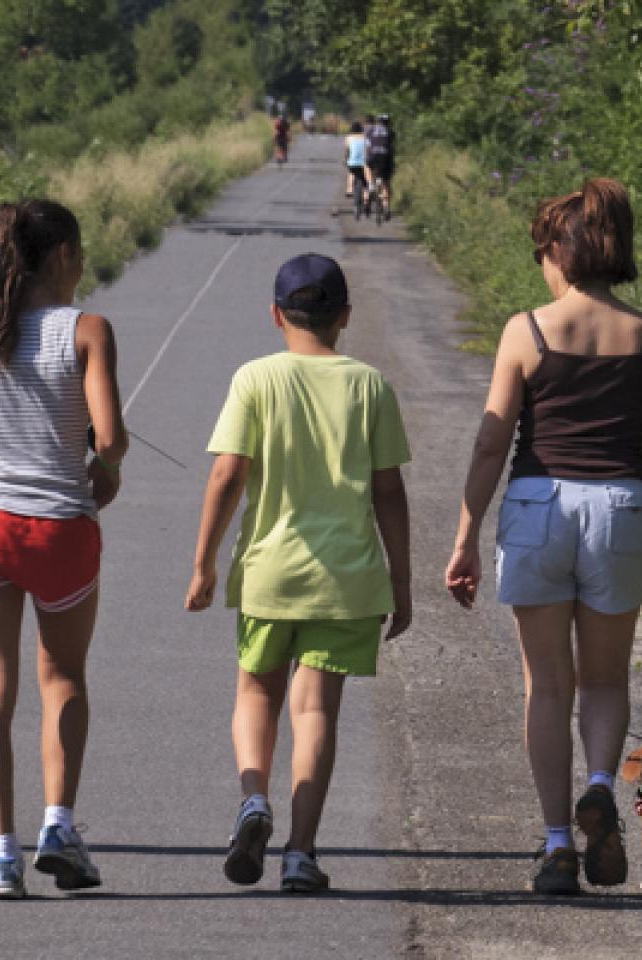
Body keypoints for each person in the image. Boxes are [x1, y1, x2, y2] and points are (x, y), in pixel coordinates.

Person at [443, 178, 642, 895]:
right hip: (620, 507)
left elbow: (492, 445)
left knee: (546, 685)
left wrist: (464, 536)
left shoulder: (524, 331)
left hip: (537, 506)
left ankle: (558, 844)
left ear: (564, 249)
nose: (540, 264)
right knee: (607, 679)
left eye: (541, 249)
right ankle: (597, 785)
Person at [185, 254, 412, 894]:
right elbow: (389, 492)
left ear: (276, 314)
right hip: (346, 580)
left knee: (257, 693)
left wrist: (203, 563)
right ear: (345, 317)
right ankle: (301, 853)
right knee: (317, 713)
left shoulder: (256, 379)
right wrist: (403, 582)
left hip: (270, 574)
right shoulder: (370, 386)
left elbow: (227, 475)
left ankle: (254, 798)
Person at [0, 200, 127, 900]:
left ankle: (0, 858)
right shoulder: (87, 330)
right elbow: (108, 440)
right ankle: (59, 824)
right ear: (62, 258)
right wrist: (106, 472)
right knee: (63, 677)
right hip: (59, 527)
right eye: (80, 256)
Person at [364, 113, 396, 210]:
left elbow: (367, 146)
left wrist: (367, 157)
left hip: (373, 156)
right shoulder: (391, 132)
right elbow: (392, 147)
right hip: (385, 157)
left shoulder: (370, 131)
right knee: (386, 180)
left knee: (367, 166)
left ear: (377, 121)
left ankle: (370, 185)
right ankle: (386, 205)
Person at [342, 121, 370, 207]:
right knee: (365, 182)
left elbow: (346, 151)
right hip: (364, 164)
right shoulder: (365, 138)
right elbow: (368, 150)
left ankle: (349, 189)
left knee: (351, 172)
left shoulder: (348, 138)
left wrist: (345, 159)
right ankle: (366, 199)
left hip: (353, 163)